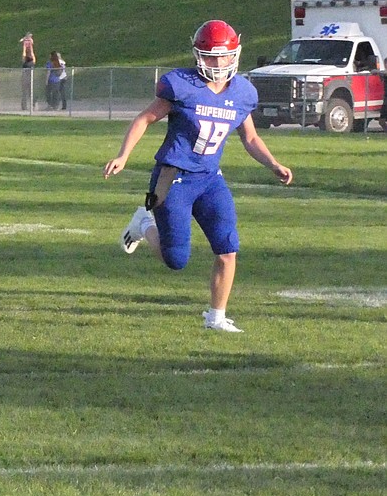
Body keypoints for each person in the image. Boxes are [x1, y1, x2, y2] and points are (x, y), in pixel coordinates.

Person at [103, 20, 293, 333]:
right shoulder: (181, 85)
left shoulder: (243, 92)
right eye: (211, 56)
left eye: (223, 56)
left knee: (228, 247)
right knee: (175, 259)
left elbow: (250, 138)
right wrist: (124, 155)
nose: (218, 63)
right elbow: (144, 119)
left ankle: (216, 317)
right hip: (173, 177)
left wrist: (273, 164)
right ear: (198, 55)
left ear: (235, 54)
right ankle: (143, 224)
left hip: (209, 179)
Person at [19, 32, 36, 110]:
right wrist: (30, 45)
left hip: (26, 79)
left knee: (25, 92)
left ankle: (26, 106)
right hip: (29, 79)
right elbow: (32, 54)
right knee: (29, 92)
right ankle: (32, 105)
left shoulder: (25, 63)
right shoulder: (32, 62)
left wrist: (24, 47)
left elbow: (24, 55)